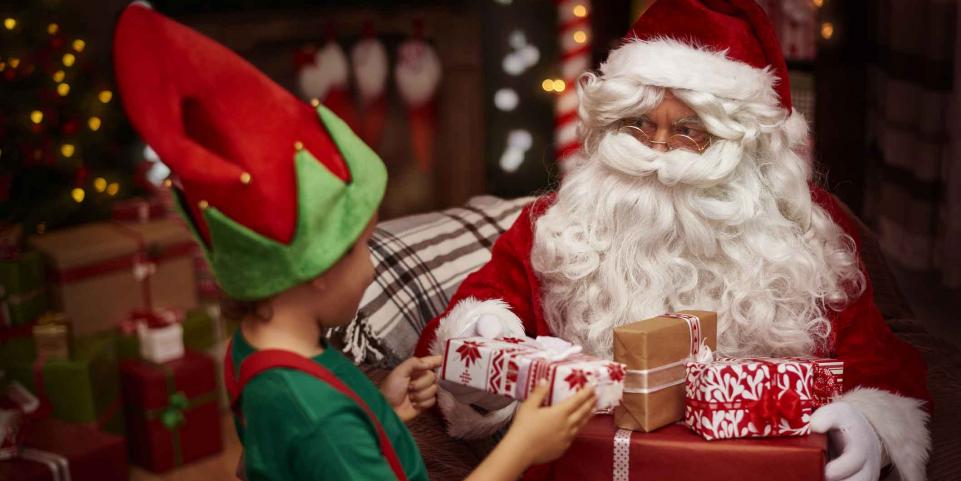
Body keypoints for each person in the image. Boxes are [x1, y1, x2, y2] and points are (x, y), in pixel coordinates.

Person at [414, 1, 931, 481]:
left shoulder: (803, 233)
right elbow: (467, 320)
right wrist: (485, 342)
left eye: (689, 130)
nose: (658, 149)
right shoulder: (557, 223)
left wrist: (868, 426)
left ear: (746, 145)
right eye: (638, 124)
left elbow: (883, 368)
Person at [112, 4, 595, 481]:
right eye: (363, 248)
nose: (371, 266)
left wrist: (379, 406)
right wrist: (523, 447)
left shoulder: (255, 349)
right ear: (320, 268)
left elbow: (308, 454)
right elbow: (324, 435)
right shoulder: (321, 420)